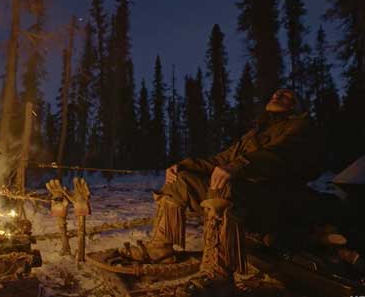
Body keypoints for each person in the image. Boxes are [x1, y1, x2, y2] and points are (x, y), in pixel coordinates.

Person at [120, 89, 322, 294]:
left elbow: (279, 157)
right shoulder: (255, 133)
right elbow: (219, 162)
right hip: (245, 195)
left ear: (296, 106)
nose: (276, 96)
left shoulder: (299, 128)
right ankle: (160, 250)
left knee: (223, 187)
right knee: (180, 181)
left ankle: (218, 273)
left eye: (285, 96)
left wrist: (240, 165)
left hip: (272, 201)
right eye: (275, 94)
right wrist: (182, 165)